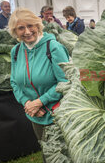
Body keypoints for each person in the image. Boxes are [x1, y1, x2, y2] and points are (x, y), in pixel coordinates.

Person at [8, 8, 69, 162]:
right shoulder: (16, 51)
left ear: (38, 25)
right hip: (36, 115)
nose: (27, 32)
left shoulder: (53, 47)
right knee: (48, 155)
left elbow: (66, 81)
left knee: (63, 155)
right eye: (21, 28)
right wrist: (28, 103)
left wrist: (40, 102)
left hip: (58, 113)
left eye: (30, 26)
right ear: (15, 31)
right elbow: (14, 82)